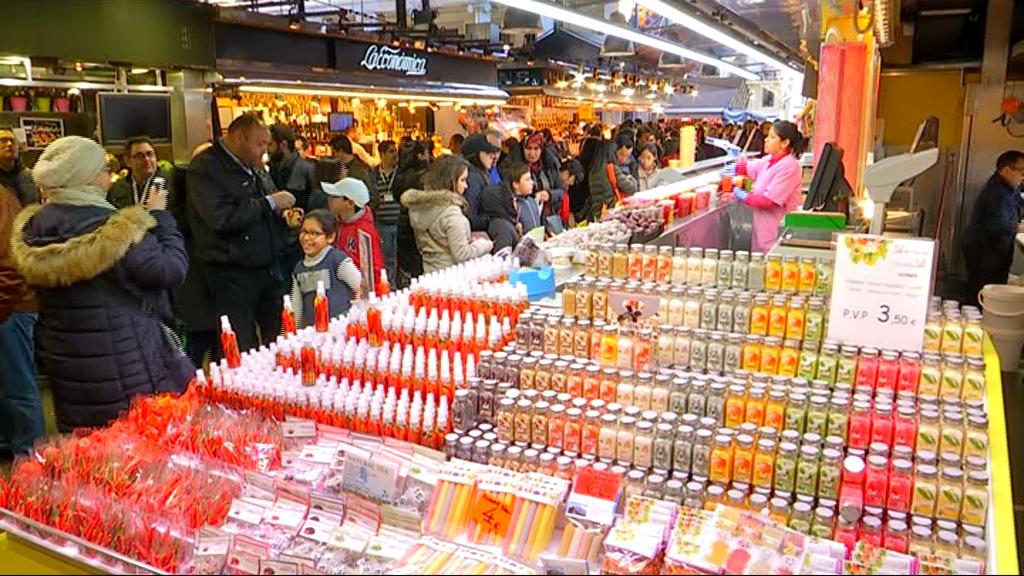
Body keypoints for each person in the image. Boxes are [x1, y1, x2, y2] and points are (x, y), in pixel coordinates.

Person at [11, 136, 192, 432]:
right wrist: (161, 218)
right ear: (86, 176)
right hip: (128, 363)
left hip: (69, 365)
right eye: (102, 169)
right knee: (141, 455)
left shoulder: (35, 227)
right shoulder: (114, 227)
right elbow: (170, 270)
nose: (108, 175)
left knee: (92, 458)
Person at [188, 113, 296, 353]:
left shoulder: (255, 166)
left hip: (269, 267)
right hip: (231, 274)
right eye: (259, 144)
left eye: (267, 144)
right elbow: (221, 218)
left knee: (278, 339)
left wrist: (282, 214)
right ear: (239, 137)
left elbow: (267, 202)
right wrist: (269, 202)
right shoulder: (206, 167)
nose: (264, 151)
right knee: (241, 344)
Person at [0, 126, 44, 453]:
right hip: (10, 303)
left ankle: (31, 461)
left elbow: (12, 263)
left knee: (18, 388)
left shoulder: (3, 198)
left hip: (10, 306)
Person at [402, 155, 493, 273]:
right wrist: (484, 245)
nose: (466, 186)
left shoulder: (419, 207)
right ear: (450, 181)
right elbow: (462, 255)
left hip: (430, 272)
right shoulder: (451, 213)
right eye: (463, 180)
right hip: (452, 277)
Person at [962, 150, 1024, 305]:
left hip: (991, 248)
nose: (1023, 177)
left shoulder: (1007, 187)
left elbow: (1020, 199)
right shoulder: (997, 193)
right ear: (1007, 170)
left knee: (984, 290)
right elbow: (1000, 225)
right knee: (985, 291)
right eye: (1022, 172)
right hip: (986, 249)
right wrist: (1018, 227)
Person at [733, 120, 805, 252]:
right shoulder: (769, 160)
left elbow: (768, 201)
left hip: (777, 233)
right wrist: (732, 167)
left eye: (772, 137)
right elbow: (747, 168)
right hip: (762, 232)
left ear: (785, 143)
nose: (766, 140)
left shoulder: (789, 166)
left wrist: (743, 195)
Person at [269, 124, 326, 275]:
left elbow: (318, 207)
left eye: (270, 144)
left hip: (300, 243)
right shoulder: (267, 170)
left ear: (283, 145)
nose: (266, 149)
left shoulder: (308, 169)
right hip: (276, 242)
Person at [291, 209, 362, 327]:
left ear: (330, 237)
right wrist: (291, 335)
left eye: (314, 233)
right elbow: (296, 306)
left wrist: (354, 317)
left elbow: (361, 287)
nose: (307, 238)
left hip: (342, 328)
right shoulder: (299, 269)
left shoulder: (337, 260)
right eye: (304, 232)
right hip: (315, 333)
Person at [324, 177, 384, 290]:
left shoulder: (365, 232)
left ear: (350, 203)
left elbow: (373, 271)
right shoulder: (337, 224)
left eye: (335, 197)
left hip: (357, 294)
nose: (329, 199)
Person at [395, 140, 432, 283]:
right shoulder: (425, 175)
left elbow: (397, 193)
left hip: (404, 221)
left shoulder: (402, 172)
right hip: (420, 221)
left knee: (409, 263)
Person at [108, 136, 174, 209]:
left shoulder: (171, 184)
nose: (146, 159)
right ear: (128, 161)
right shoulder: (116, 189)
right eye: (139, 156)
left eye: (149, 154)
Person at [586, 139, 638, 221]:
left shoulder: (593, 171)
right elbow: (631, 188)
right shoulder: (611, 168)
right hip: (611, 211)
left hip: (598, 212)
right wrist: (630, 178)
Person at [461, 133, 502, 233]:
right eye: (487, 152)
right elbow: (472, 218)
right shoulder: (473, 178)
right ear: (475, 154)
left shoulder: (482, 174)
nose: (493, 156)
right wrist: (493, 217)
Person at [522, 132, 565, 226]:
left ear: (541, 149)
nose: (532, 153)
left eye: (536, 148)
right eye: (528, 148)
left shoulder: (549, 166)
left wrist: (549, 195)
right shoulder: (516, 168)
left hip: (549, 219)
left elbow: (561, 191)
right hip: (526, 220)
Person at [330, 134, 379, 214]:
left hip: (358, 217)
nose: (333, 155)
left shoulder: (361, 170)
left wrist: (362, 214)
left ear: (341, 151)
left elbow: (373, 196)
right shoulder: (340, 167)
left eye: (334, 152)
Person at [375, 140, 401, 285]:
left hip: (398, 222)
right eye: (391, 151)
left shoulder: (400, 174)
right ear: (382, 154)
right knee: (386, 258)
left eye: (395, 151)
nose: (395, 155)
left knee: (400, 258)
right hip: (382, 224)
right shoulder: (374, 174)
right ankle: (389, 286)